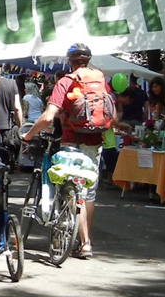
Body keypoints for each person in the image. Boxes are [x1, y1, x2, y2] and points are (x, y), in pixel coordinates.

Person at [23, 44, 118, 259]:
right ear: (89, 60)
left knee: (67, 187)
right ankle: (85, 242)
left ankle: (73, 239)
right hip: (95, 142)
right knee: (88, 193)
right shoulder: (101, 81)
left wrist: (28, 135)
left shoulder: (66, 82)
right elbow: (113, 117)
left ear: (70, 61)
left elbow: (48, 116)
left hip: (70, 142)